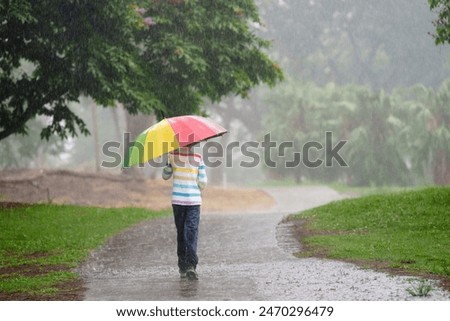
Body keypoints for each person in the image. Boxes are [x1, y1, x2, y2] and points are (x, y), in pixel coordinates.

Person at [162, 146, 207, 280]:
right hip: (192, 201)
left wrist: (169, 164)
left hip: (180, 201)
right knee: (191, 232)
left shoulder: (172, 156)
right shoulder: (198, 158)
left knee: (182, 232)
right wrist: (196, 184)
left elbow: (165, 176)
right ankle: (189, 265)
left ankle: (185, 266)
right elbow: (203, 183)